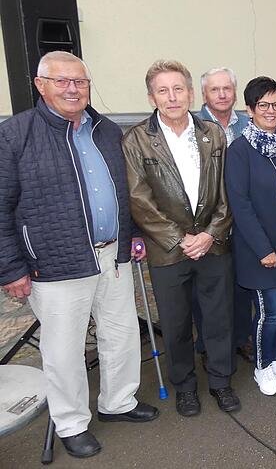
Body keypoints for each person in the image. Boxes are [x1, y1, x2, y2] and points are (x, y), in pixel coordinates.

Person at [0, 51, 158, 459]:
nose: (73, 89)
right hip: (56, 262)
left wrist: (133, 234)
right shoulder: (16, 134)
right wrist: (11, 268)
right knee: (64, 348)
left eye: (81, 82)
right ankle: (71, 422)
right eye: (62, 81)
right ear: (41, 85)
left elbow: (127, 189)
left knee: (120, 332)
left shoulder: (106, 129)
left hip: (113, 256)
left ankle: (118, 402)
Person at [123, 59, 240, 417]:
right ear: (151, 96)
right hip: (167, 250)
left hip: (213, 244)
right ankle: (185, 387)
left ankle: (221, 381)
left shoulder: (213, 133)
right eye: (163, 90)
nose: (172, 97)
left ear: (190, 93)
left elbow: (227, 191)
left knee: (219, 318)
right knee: (175, 324)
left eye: (178, 89)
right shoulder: (137, 139)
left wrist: (210, 234)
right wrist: (181, 238)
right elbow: (139, 200)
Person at [225, 76, 276, 395]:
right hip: (263, 246)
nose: (271, 111)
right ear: (249, 109)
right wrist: (263, 248)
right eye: (263, 105)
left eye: (275, 104)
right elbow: (240, 205)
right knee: (269, 312)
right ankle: (262, 366)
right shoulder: (240, 150)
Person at [195, 67, 253, 365]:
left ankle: (242, 338)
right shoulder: (192, 126)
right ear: (204, 94)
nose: (221, 94)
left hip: (242, 220)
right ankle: (209, 345)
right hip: (208, 222)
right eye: (215, 90)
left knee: (242, 284)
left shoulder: (247, 124)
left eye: (227, 89)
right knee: (209, 290)